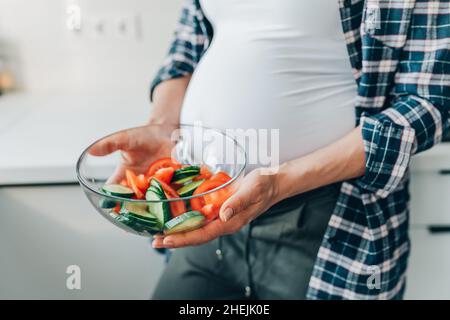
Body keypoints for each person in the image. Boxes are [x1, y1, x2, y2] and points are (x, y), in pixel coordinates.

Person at [91, 0, 449, 299]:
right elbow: (189, 42)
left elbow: (430, 101)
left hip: (330, 218)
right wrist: (162, 127)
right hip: (201, 204)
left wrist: (280, 180)